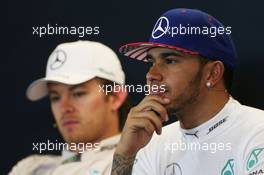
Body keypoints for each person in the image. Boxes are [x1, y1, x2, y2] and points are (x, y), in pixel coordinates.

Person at [111, 8, 264, 175]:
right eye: (151, 62)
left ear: (213, 73)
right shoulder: (151, 144)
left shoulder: (258, 132)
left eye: (169, 60)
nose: (151, 75)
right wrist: (125, 154)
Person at [9, 40, 130, 175]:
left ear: (115, 97)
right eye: (55, 97)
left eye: (78, 94)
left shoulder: (143, 161)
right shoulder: (30, 168)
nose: (64, 108)